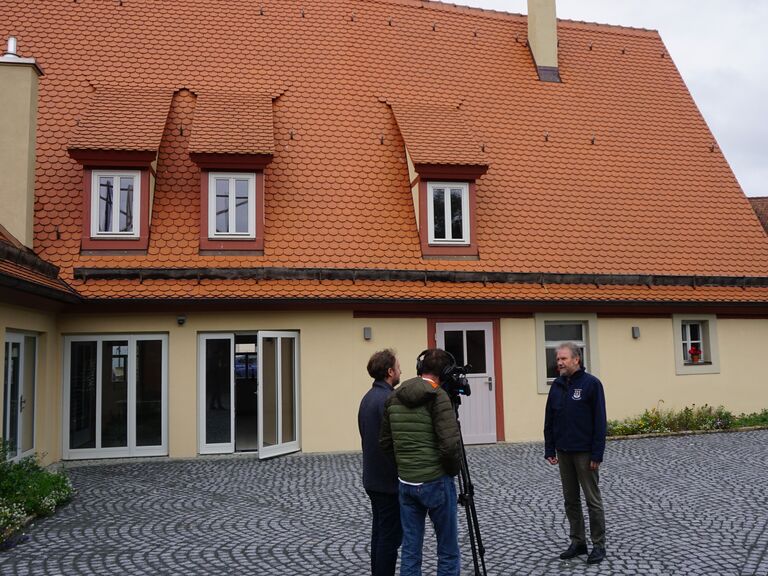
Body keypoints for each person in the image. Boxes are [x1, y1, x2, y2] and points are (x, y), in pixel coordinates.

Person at [380, 348, 462, 576]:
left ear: (420, 369)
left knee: (410, 549)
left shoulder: (393, 396)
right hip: (436, 481)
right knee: (447, 550)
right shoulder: (438, 396)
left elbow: (385, 443)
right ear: (445, 373)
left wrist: (405, 464)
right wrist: (451, 472)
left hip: (406, 482)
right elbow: (450, 446)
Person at [544, 342, 608, 565]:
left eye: (563, 359)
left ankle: (598, 544)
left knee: (592, 500)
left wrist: (597, 454)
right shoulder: (557, 386)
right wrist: (549, 447)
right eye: (558, 359)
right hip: (563, 452)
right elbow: (549, 418)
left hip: (585, 453)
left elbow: (600, 422)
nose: (559, 363)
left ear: (576, 360)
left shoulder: (591, 384)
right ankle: (578, 541)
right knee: (570, 500)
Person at [359, 349, 403, 576]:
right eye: (398, 367)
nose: (400, 371)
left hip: (373, 478)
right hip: (388, 482)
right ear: (389, 371)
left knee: (379, 534)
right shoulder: (389, 400)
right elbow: (397, 442)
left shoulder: (367, 398)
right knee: (389, 538)